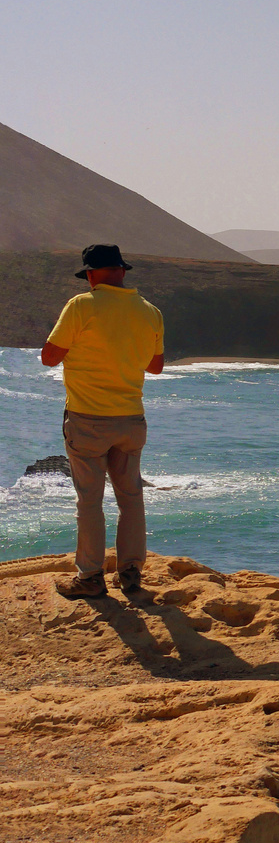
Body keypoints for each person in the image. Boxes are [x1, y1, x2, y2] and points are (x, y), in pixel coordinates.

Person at [41, 245, 165, 598]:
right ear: (122, 271)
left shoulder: (82, 305)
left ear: (91, 275)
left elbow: (50, 357)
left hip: (88, 419)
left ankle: (91, 577)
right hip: (131, 418)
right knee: (131, 498)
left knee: (90, 501)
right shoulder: (150, 311)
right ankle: (130, 574)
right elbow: (155, 366)